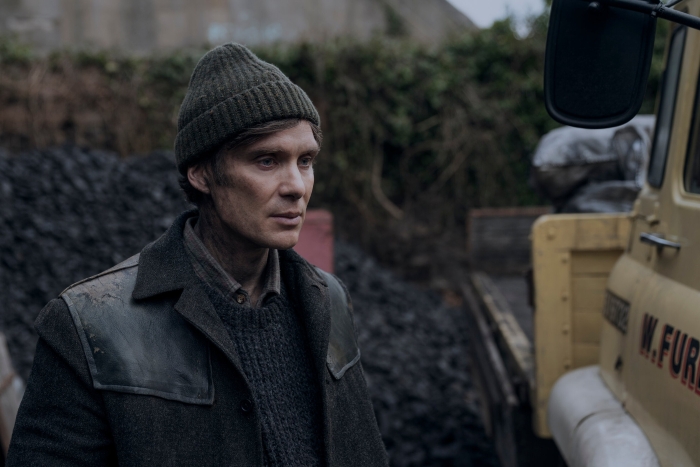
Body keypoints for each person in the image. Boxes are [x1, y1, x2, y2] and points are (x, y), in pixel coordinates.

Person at [7, 43, 387, 467]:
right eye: (266, 161)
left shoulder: (328, 300)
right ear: (201, 173)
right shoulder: (88, 325)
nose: (296, 186)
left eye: (306, 161)